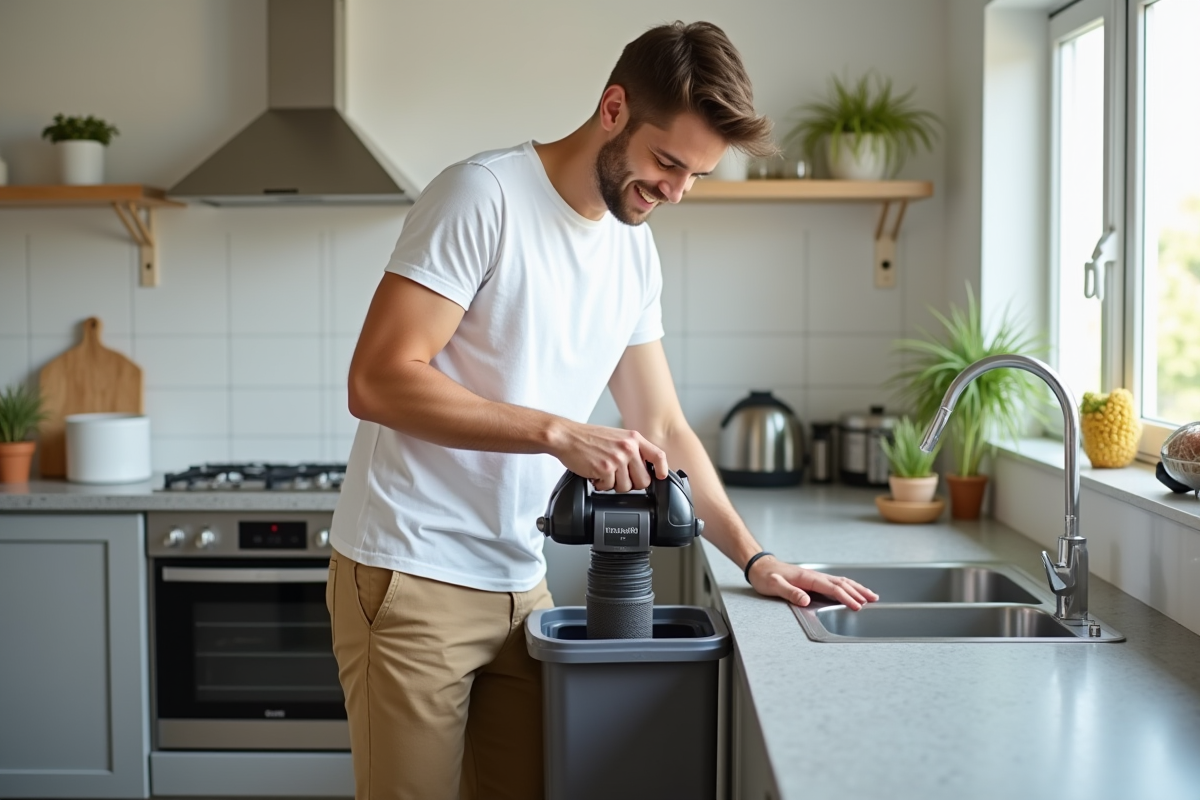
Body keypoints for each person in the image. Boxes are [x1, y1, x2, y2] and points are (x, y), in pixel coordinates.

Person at [326, 19, 878, 800]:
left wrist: (754, 559)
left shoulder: (631, 250)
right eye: (667, 162)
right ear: (613, 108)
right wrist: (558, 433)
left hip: (522, 581)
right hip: (412, 573)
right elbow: (378, 380)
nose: (676, 191)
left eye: (696, 175)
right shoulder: (482, 196)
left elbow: (663, 426)